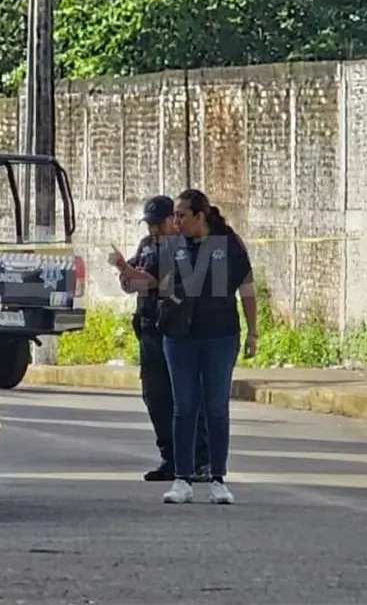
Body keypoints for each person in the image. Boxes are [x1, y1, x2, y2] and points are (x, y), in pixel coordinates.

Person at [158, 189, 258, 505]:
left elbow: (247, 291)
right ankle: (182, 479)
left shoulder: (228, 245)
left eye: (182, 215)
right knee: (184, 407)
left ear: (200, 216)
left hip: (220, 336)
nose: (176, 221)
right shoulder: (171, 246)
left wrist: (253, 332)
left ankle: (218, 479)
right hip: (179, 337)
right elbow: (159, 285)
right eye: (174, 215)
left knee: (216, 408)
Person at [110, 196, 209, 483]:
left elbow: (152, 281)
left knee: (186, 396)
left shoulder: (180, 247)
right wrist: (127, 274)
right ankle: (171, 458)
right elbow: (132, 282)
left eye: (158, 223)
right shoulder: (146, 244)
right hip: (148, 328)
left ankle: (201, 459)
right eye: (149, 224)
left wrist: (128, 273)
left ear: (172, 220)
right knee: (155, 396)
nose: (153, 229)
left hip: (176, 329)